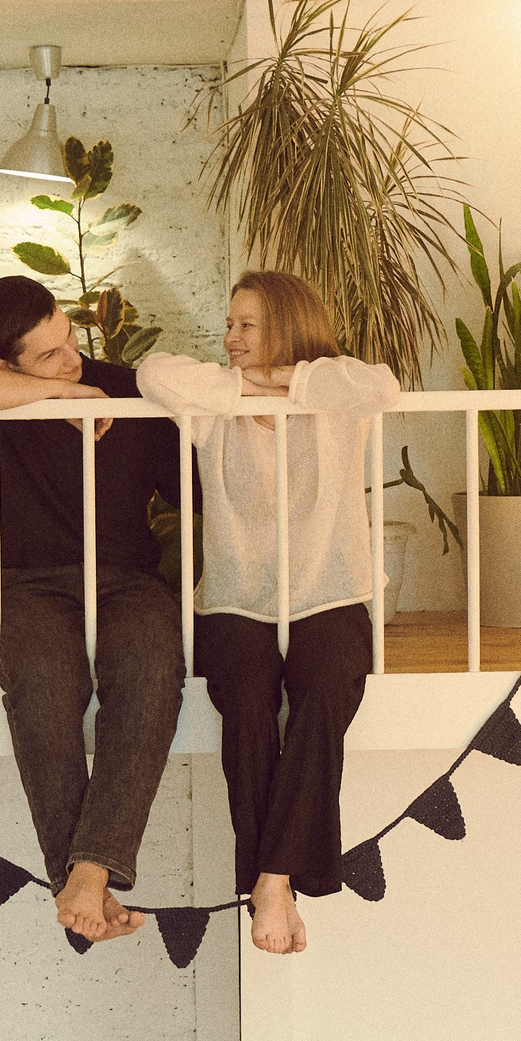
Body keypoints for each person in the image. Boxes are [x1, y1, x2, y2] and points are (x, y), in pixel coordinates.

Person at [0, 275, 190, 945]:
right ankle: (88, 876)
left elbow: (194, 490)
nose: (72, 361)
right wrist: (58, 396)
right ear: (3, 365)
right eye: (48, 356)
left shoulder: (126, 390)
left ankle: (83, 875)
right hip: (21, 585)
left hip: (127, 581)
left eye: (69, 341)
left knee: (152, 670)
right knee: (42, 679)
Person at [137, 271, 398, 955]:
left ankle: (270, 879)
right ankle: (278, 882)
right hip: (237, 598)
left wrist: (285, 382)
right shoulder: (213, 409)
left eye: (246, 325)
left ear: (286, 326)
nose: (230, 337)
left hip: (330, 591)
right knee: (249, 701)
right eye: (230, 324)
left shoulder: (337, 397)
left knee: (325, 691)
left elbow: (381, 386)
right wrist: (245, 388)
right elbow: (153, 372)